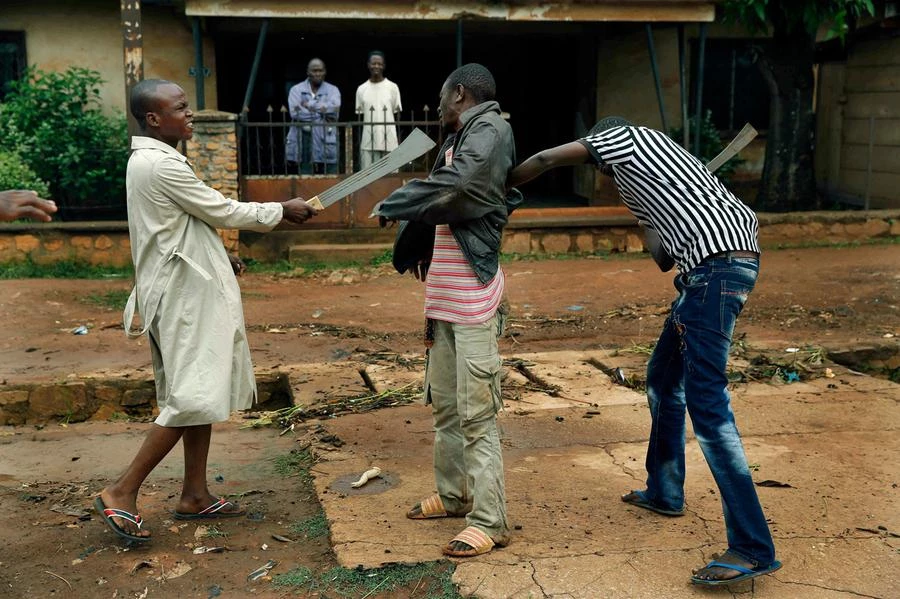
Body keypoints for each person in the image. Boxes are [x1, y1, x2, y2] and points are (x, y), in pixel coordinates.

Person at [508, 117, 781, 586]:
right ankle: (665, 489)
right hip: (705, 272)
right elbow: (662, 258)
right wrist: (649, 213)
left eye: (598, 158)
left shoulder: (627, 136)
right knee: (662, 379)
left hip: (717, 270)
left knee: (708, 405)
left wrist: (499, 182)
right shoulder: (653, 181)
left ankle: (753, 547)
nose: (602, 171)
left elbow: (547, 159)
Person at [94, 79, 318, 544]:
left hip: (183, 288)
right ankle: (121, 490)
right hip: (183, 296)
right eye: (180, 108)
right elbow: (221, 209)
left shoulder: (157, 159)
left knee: (200, 391)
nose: (189, 114)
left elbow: (185, 220)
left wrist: (220, 252)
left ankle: (194, 494)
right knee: (192, 397)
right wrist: (281, 208)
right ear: (154, 119)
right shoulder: (159, 165)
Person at [373, 63, 521, 558]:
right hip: (444, 301)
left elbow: (461, 189)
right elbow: (446, 205)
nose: (436, 104)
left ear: (459, 93)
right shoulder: (457, 139)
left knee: (477, 415)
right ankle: (455, 496)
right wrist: (418, 245)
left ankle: (490, 520)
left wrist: (397, 201)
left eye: (440, 95)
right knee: (446, 409)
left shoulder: (492, 130)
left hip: (473, 303)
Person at [285, 58, 341, 175]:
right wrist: (322, 113)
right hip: (304, 142)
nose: (317, 74)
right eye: (314, 71)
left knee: (330, 181)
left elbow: (334, 110)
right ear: (308, 72)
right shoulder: (296, 90)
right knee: (305, 181)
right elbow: (295, 113)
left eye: (320, 71)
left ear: (325, 72)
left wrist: (309, 105)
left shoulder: (333, 90)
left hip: (326, 142)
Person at [355, 50, 402, 170]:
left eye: (379, 64)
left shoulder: (392, 87)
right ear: (368, 65)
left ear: (384, 66)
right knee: (368, 180)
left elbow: (397, 115)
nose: (376, 66)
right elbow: (360, 117)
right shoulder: (361, 89)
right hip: (368, 143)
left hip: (390, 142)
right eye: (373, 63)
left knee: (391, 180)